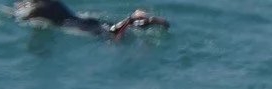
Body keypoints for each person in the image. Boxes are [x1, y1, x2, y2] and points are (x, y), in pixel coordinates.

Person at [15, 0, 168, 36]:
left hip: (80, 26)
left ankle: (132, 18)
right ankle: (137, 20)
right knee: (110, 27)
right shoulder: (53, 3)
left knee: (111, 32)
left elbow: (24, 17)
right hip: (82, 20)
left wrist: (11, 13)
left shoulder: (39, 9)